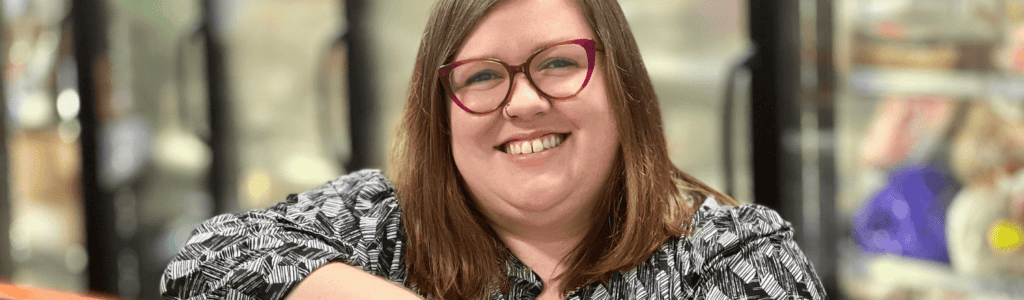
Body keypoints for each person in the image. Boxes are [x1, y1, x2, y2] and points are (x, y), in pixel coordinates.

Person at [160, 0, 826, 299]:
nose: (524, 102)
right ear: (439, 114)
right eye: (482, 77)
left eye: (558, 64)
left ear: (622, 85)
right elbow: (206, 262)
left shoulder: (731, 259)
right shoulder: (381, 221)